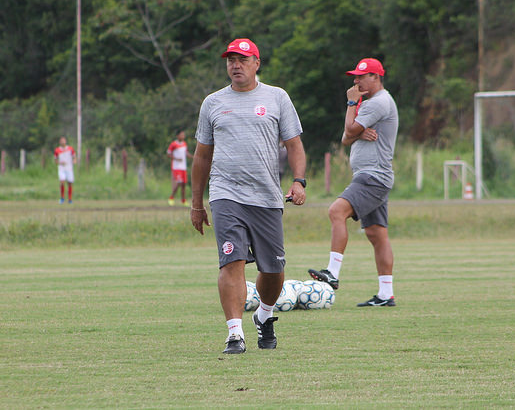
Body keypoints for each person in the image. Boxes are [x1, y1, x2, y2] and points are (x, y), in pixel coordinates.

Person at [190, 38, 307, 354]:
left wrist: (299, 182)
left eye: (242, 59)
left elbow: (294, 145)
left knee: (273, 270)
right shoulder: (213, 103)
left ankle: (264, 315)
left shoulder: (277, 98)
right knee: (232, 261)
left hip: (267, 197)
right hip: (226, 195)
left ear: (257, 62)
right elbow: (201, 157)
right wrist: (197, 203)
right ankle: (234, 333)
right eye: (230, 59)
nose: (235, 65)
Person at [308, 58, 399, 307]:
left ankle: (333, 273)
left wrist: (351, 103)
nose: (356, 81)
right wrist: (357, 130)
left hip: (373, 176)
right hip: (374, 175)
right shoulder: (373, 103)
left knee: (336, 210)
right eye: (355, 77)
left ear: (377, 77)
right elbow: (346, 138)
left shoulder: (377, 102)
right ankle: (385, 294)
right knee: (376, 234)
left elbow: (348, 130)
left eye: (362, 76)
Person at [167, 130, 193, 206]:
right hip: (176, 167)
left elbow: (186, 153)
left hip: (183, 167)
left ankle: (183, 200)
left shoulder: (184, 144)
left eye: (184, 135)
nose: (183, 136)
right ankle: (171, 198)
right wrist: (176, 158)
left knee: (184, 184)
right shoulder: (173, 144)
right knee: (178, 182)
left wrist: (193, 157)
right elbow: (168, 154)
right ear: (177, 136)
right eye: (181, 135)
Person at [54, 136, 77, 204]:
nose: (63, 142)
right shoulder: (57, 150)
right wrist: (60, 162)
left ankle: (70, 199)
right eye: (61, 141)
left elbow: (74, 157)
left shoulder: (70, 149)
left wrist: (74, 161)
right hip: (61, 168)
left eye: (64, 140)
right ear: (60, 142)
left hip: (69, 168)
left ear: (65, 141)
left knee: (70, 183)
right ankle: (62, 198)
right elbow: (55, 160)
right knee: (62, 182)